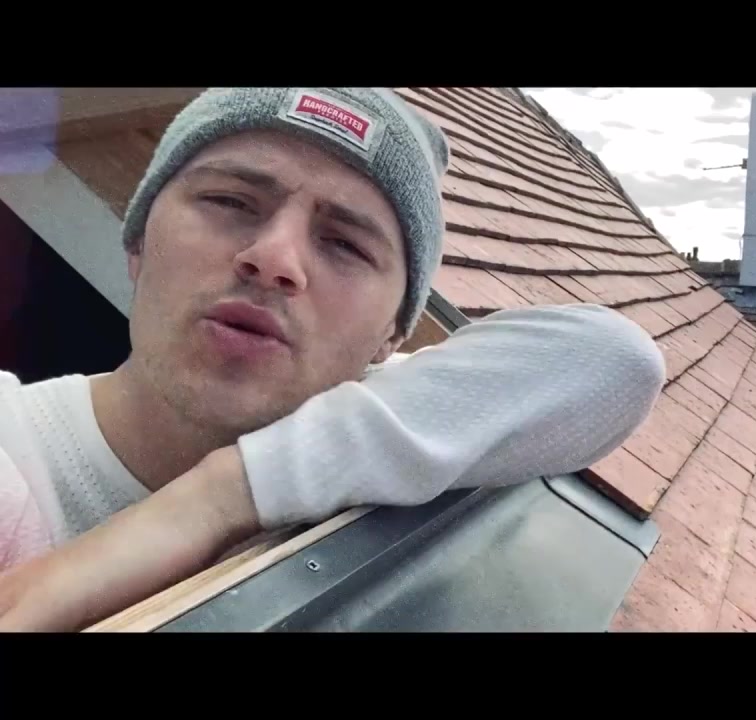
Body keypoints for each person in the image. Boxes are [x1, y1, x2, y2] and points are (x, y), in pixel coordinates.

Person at [0, 87, 666, 631]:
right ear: (138, 244)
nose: (274, 258)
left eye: (346, 244)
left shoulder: (402, 422)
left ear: (390, 339)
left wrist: (218, 497)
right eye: (230, 201)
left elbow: (615, 360)